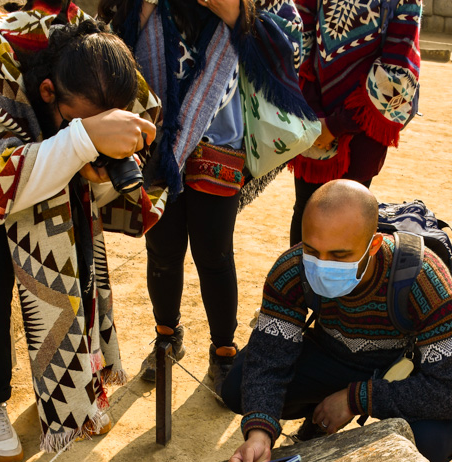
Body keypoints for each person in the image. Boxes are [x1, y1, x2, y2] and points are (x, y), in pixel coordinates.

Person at [0, 1, 160, 462]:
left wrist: (96, 157)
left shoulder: (91, 47)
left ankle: (71, 387)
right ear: (45, 90)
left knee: (73, 247)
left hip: (35, 149)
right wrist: (82, 141)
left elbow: (132, 117)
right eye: (80, 118)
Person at [99, 0, 312, 395]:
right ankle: (167, 337)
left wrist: (237, 16)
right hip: (157, 141)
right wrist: (140, 11)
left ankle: (224, 351)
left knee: (214, 254)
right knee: (162, 249)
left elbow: (292, 48)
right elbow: (111, 48)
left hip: (220, 144)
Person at [222, 180, 452, 462]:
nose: (321, 264)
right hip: (330, 355)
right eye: (312, 250)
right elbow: (268, 357)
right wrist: (260, 432)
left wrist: (357, 400)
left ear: (375, 245)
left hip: (401, 371)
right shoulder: (291, 270)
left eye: (340, 255)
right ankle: (318, 418)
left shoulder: (423, 276)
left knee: (431, 444)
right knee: (237, 385)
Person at [287, 0, 422, 246]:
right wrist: (315, 117)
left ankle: (339, 284)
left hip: (362, 132)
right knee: (306, 213)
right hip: (312, 120)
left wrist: (335, 125)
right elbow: (298, 42)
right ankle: (300, 284)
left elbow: (398, 69)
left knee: (348, 219)